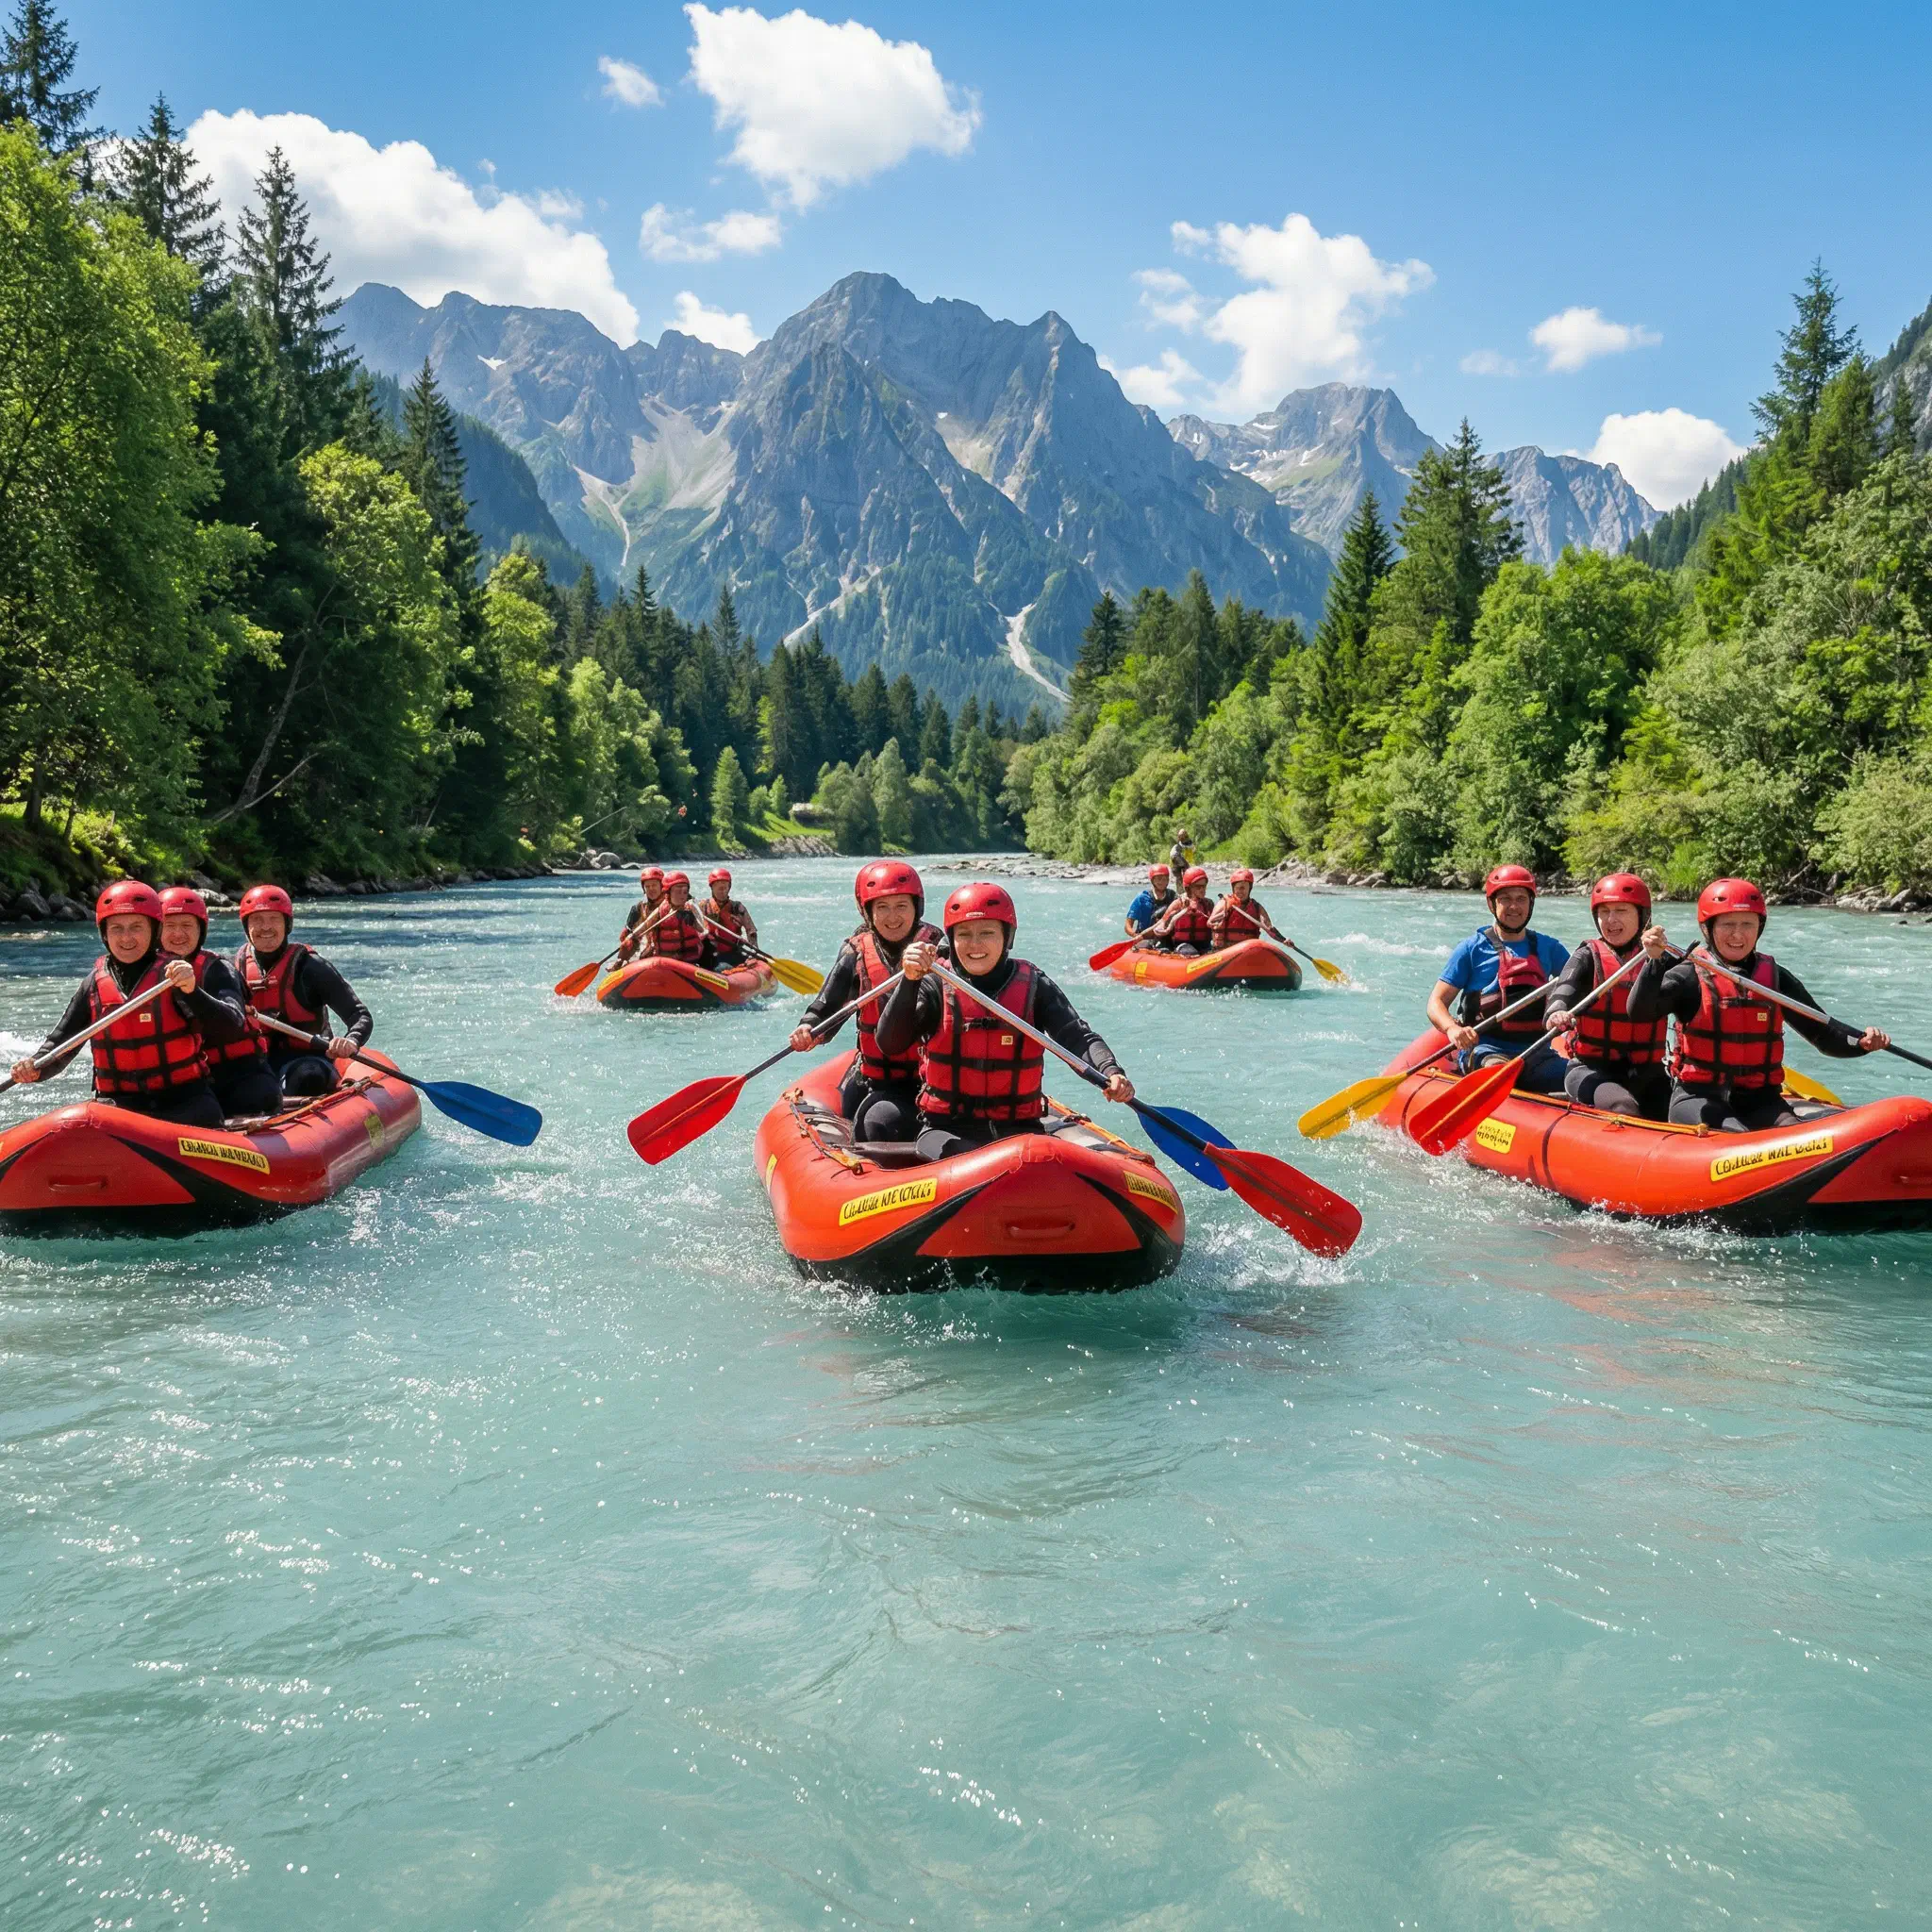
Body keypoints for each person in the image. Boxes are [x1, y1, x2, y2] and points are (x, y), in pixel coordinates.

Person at [875, 882, 1135, 1163]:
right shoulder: (935, 985)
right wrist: (909, 981)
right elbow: (890, 1043)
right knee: (974, 1159)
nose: (975, 944)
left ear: (1006, 937)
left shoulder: (1034, 985)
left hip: (1019, 1130)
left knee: (1036, 1163)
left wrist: (1110, 1071)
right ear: (952, 940)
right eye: (964, 934)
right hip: (947, 1130)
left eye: (987, 933)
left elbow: (1076, 1037)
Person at [1626, 876, 1889, 1132]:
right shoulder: (1688, 974)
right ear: (1708, 929)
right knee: (1736, 1134)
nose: (1738, 934)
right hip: (1699, 1098)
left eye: (1747, 924)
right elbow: (1639, 1013)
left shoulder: (1775, 978)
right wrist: (1654, 963)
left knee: (1791, 1133)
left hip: (1760, 1099)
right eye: (1728, 924)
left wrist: (1861, 1043)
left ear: (1759, 927)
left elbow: (1822, 1034)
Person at [8, 881, 244, 1128]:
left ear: (154, 930)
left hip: (183, 1102)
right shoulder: (93, 984)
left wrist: (193, 992)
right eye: (116, 928)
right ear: (104, 934)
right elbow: (61, 1043)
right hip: (119, 1107)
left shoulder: (174, 975)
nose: (126, 938)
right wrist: (35, 1068)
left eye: (136, 927)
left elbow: (230, 1029)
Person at [791, 860, 944, 1141]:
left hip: (931, 1078)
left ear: (916, 907)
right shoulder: (857, 952)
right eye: (882, 907)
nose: (892, 917)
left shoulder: (938, 950)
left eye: (901, 906)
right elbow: (829, 1005)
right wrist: (809, 1028)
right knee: (863, 1118)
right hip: (875, 1079)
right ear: (868, 912)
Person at [1426, 863, 1571, 1093]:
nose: (1514, 906)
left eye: (1521, 899)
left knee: (1580, 1079)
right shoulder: (1471, 949)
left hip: (1538, 1053)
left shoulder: (1550, 948)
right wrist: (1452, 1029)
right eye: (1505, 899)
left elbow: (1581, 988)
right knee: (1498, 1074)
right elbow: (1436, 1002)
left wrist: (1565, 1013)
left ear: (1531, 903)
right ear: (1491, 904)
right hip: (1485, 1050)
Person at [1543, 873, 1670, 1120]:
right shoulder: (1587, 956)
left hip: (1648, 1072)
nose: (1611, 920)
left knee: (1671, 1110)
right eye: (1604, 912)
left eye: (1621, 910)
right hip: (1590, 1070)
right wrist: (1557, 1013)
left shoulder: (1662, 959)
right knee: (1624, 1107)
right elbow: (1562, 994)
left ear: (1643, 916)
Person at [234, 884, 374, 1098]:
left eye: (274, 919)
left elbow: (359, 1015)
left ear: (287, 924)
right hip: (258, 1061)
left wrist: (351, 1040)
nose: (266, 927)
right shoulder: (234, 968)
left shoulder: (311, 967)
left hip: (308, 1059)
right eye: (257, 920)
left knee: (307, 1076)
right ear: (247, 927)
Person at [158, 886, 284, 1117]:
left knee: (258, 1097)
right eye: (170, 926)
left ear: (201, 930)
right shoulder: (144, 974)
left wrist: (192, 992)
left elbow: (233, 1021)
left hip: (238, 1076)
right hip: (182, 1082)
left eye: (187, 925)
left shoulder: (219, 969)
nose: (178, 934)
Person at [1208, 867, 1287, 951]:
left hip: (1248, 951)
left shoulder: (1256, 907)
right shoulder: (1224, 903)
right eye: (1237, 888)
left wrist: (1283, 940)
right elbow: (1209, 923)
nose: (1240, 891)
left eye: (1243, 888)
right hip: (1225, 951)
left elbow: (1269, 928)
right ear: (1233, 888)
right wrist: (1219, 918)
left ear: (1250, 888)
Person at [696, 867, 758, 967]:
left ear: (729, 888)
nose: (723, 891)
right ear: (712, 888)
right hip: (709, 953)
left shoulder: (737, 907)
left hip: (732, 951)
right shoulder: (703, 906)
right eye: (719, 888)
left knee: (724, 966)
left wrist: (754, 952)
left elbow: (751, 931)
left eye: (725, 888)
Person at [1144, 866, 1213, 955]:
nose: (1202, 889)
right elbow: (1162, 923)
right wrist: (1160, 931)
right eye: (1198, 887)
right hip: (1183, 944)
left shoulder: (1208, 904)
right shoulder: (1178, 904)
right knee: (1191, 952)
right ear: (1188, 888)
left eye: (1204, 886)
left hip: (1204, 944)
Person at [642, 872, 707, 964]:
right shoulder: (660, 910)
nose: (682, 896)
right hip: (665, 957)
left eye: (685, 892)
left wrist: (693, 919)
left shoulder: (691, 907)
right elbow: (644, 927)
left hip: (689, 958)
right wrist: (631, 938)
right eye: (678, 892)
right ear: (668, 894)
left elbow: (702, 930)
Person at [617, 868, 665, 962]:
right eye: (647, 886)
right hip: (651, 950)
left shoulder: (674, 903)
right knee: (627, 941)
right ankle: (620, 962)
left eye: (654, 885)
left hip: (672, 951)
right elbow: (627, 936)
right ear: (644, 889)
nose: (651, 889)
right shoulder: (637, 909)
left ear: (662, 886)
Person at [1124, 863, 1175, 938]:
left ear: (1168, 880)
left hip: (1166, 937)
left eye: (1165, 879)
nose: (1162, 882)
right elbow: (1128, 925)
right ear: (1152, 880)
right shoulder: (1142, 899)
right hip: (1145, 937)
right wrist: (1135, 935)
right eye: (1159, 879)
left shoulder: (1172, 896)